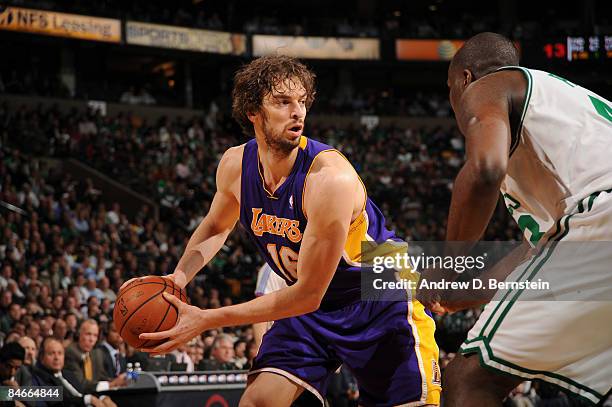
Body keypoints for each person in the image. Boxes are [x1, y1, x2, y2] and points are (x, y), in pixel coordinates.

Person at [137, 55, 440, 406]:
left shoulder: (330, 179)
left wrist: (205, 319)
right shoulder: (235, 164)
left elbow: (308, 294)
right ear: (252, 109)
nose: (298, 112)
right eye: (283, 102)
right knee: (257, 402)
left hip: (379, 302)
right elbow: (215, 227)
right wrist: (178, 277)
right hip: (312, 310)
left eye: (302, 101)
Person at [427, 32, 612, 406]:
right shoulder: (570, 118)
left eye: (450, 89)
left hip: (601, 221)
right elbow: (537, 253)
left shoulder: (489, 86)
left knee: (468, 380)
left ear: (464, 79)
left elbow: (485, 170)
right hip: (592, 235)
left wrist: (445, 266)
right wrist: (455, 297)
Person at [32, 337, 117, 407]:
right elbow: (61, 399)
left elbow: (84, 391)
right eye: (51, 353)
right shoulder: (39, 377)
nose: (56, 358)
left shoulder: (68, 374)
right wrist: (89, 399)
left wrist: (102, 397)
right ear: (42, 358)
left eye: (60, 353)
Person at [64, 319, 126, 394]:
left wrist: (118, 381)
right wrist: (111, 384)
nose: (91, 339)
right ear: (79, 334)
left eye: (95, 335)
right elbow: (80, 384)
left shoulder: (96, 354)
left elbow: (101, 377)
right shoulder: (71, 352)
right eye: (88, 334)